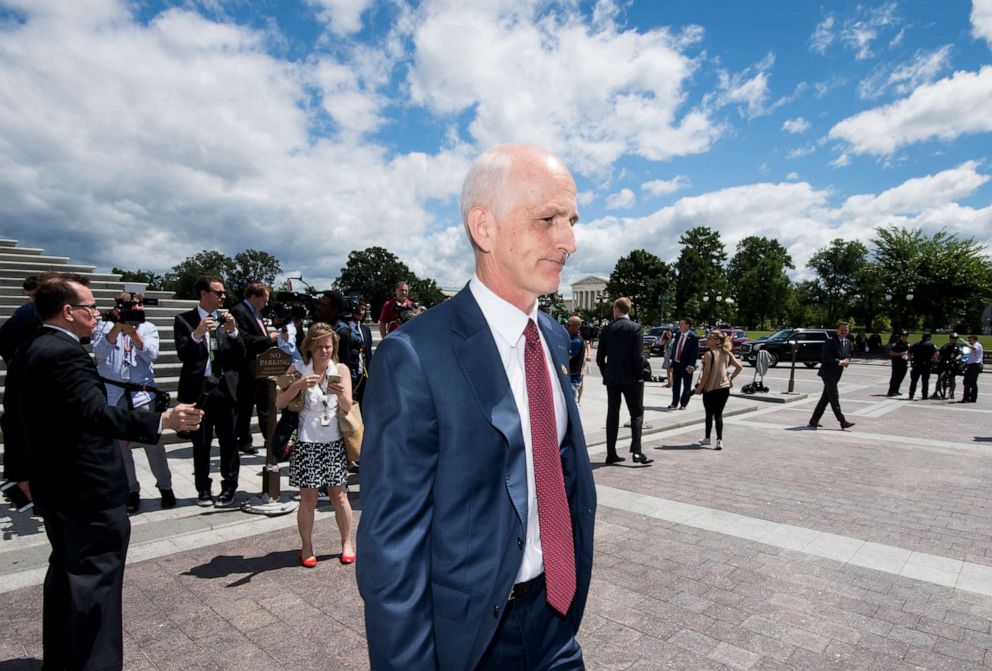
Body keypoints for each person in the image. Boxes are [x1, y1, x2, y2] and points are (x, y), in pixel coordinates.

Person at [357, 144, 596, 671]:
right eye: (548, 219)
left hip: (555, 622)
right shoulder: (415, 356)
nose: (570, 241)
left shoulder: (553, 339)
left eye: (572, 221)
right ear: (484, 228)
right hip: (471, 643)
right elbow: (393, 552)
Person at [2, 275, 200, 671]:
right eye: (90, 307)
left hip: (55, 488)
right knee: (97, 588)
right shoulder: (66, 354)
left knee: (67, 579)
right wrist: (160, 420)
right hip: (87, 489)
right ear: (68, 311)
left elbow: (14, 419)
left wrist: (19, 474)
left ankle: (63, 660)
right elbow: (94, 413)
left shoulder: (28, 350)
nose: (98, 314)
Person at [275, 323, 355, 567]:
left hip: (333, 441)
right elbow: (278, 402)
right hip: (306, 441)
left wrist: (340, 393)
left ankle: (347, 542)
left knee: (339, 495)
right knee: (308, 497)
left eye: (328, 346)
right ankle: (307, 546)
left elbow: (348, 406)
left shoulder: (340, 369)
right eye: (319, 346)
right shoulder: (297, 369)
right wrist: (297, 386)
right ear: (309, 346)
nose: (324, 351)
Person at [92, 292, 175, 512]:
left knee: (153, 445)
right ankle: (131, 490)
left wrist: (134, 334)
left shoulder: (148, 327)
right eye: (127, 305)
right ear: (116, 307)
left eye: (137, 305)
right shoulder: (103, 326)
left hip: (141, 393)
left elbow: (151, 355)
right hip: (113, 392)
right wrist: (117, 327)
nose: (133, 309)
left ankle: (165, 487)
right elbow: (99, 352)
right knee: (120, 449)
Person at [174, 275, 246, 507]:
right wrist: (197, 334)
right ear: (204, 294)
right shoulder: (184, 320)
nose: (223, 297)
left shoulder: (227, 320)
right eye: (218, 292)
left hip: (225, 389)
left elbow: (241, 354)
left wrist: (234, 332)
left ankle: (229, 488)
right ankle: (203, 489)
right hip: (199, 391)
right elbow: (184, 354)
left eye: (223, 293)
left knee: (229, 442)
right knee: (201, 443)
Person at [596, 298, 652, 465]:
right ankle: (636, 451)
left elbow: (600, 358)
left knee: (612, 414)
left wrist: (606, 373)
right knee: (636, 413)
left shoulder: (607, 329)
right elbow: (638, 356)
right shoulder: (635, 328)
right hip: (632, 378)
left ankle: (611, 452)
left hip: (612, 378)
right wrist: (640, 375)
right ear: (628, 310)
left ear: (616, 309)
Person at [231, 282, 280, 455]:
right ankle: (244, 440)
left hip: (263, 366)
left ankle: (269, 436)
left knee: (265, 404)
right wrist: (270, 339)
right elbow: (245, 339)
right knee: (246, 406)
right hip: (248, 366)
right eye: (264, 300)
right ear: (253, 297)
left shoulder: (257, 313)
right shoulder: (239, 312)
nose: (266, 304)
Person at [693, 329, 742, 450]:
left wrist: (699, 388)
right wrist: (730, 378)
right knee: (718, 414)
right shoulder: (727, 353)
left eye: (709, 338)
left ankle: (707, 438)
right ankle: (719, 440)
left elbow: (706, 373)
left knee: (709, 414)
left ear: (716, 341)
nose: (707, 340)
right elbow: (739, 367)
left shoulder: (709, 354)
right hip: (724, 388)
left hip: (710, 388)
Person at [808, 321, 856, 430]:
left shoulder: (847, 342)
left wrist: (847, 360)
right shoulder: (830, 341)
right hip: (828, 373)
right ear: (837, 330)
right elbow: (825, 357)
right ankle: (842, 421)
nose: (844, 332)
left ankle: (814, 420)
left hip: (837, 374)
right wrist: (839, 362)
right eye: (842, 330)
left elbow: (849, 354)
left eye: (846, 330)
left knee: (826, 398)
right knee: (834, 397)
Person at [668, 318, 699, 410]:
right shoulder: (678, 334)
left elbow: (694, 352)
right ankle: (674, 403)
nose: (679, 326)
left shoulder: (693, 337)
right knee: (675, 385)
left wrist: (691, 365)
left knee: (687, 386)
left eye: (681, 324)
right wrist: (672, 363)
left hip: (687, 365)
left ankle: (683, 403)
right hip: (676, 363)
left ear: (688, 325)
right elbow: (675, 349)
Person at [907, 332, 937, 401]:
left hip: (916, 364)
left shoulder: (916, 344)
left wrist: (911, 359)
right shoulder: (931, 345)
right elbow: (936, 353)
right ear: (928, 337)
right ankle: (924, 395)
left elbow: (909, 352)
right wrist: (934, 360)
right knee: (925, 381)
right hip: (926, 365)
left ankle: (911, 394)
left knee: (914, 381)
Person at [936, 333, 963, 400]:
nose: (953, 340)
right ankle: (936, 391)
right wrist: (937, 358)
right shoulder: (945, 346)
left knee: (952, 379)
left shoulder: (957, 347)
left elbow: (960, 354)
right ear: (950, 339)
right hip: (943, 363)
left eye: (955, 339)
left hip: (952, 363)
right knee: (939, 378)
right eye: (952, 338)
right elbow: (939, 352)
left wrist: (956, 358)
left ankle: (952, 392)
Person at [566, 315, 585, 403]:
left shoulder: (577, 341)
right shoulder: (575, 339)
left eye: (569, 325)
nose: (566, 327)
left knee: (572, 404)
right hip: (573, 376)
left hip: (573, 377)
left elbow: (567, 358)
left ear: (576, 326)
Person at [886, 330, 910, 397]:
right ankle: (891, 391)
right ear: (900, 336)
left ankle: (896, 390)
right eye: (903, 336)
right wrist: (900, 354)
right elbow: (891, 353)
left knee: (901, 377)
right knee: (895, 377)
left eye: (906, 336)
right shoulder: (896, 344)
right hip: (897, 363)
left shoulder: (907, 343)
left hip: (904, 362)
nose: (904, 337)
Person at [961, 335, 984, 403]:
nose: (970, 342)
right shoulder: (976, 345)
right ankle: (973, 398)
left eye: (971, 340)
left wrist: (965, 343)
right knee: (973, 382)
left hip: (975, 366)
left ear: (975, 340)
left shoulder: (978, 345)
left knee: (967, 381)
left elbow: (974, 348)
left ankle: (966, 398)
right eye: (969, 340)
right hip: (973, 365)